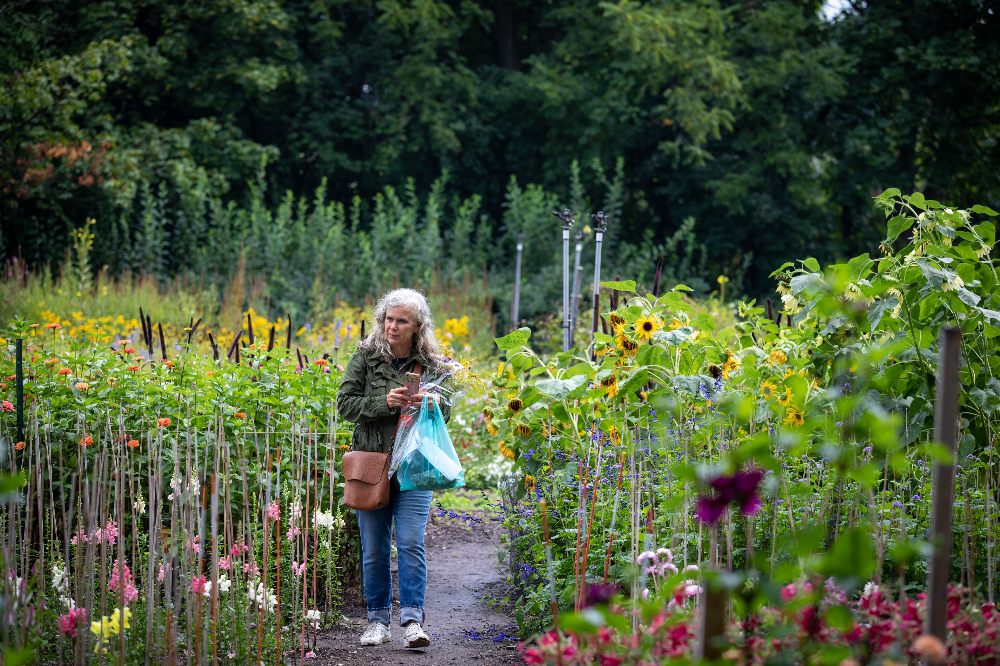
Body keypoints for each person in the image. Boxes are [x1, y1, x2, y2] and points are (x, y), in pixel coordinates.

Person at [336, 288, 451, 649]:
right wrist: (383, 402)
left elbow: (447, 411)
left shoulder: (433, 364)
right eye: (388, 319)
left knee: (412, 542)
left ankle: (413, 621)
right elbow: (345, 403)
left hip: (415, 467)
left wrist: (433, 403)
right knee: (374, 547)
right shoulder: (367, 357)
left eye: (401, 321)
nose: (392, 326)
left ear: (418, 326)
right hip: (372, 465)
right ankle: (376, 621)